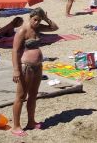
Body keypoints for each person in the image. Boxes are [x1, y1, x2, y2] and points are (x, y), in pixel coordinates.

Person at [11, 8, 58, 137]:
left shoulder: (38, 28)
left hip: (37, 66)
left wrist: (47, 18)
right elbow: (15, 51)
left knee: (33, 94)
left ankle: (31, 122)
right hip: (26, 66)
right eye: (35, 19)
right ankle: (16, 126)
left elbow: (54, 28)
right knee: (21, 97)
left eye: (39, 20)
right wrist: (16, 70)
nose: (37, 22)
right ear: (30, 17)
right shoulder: (23, 30)